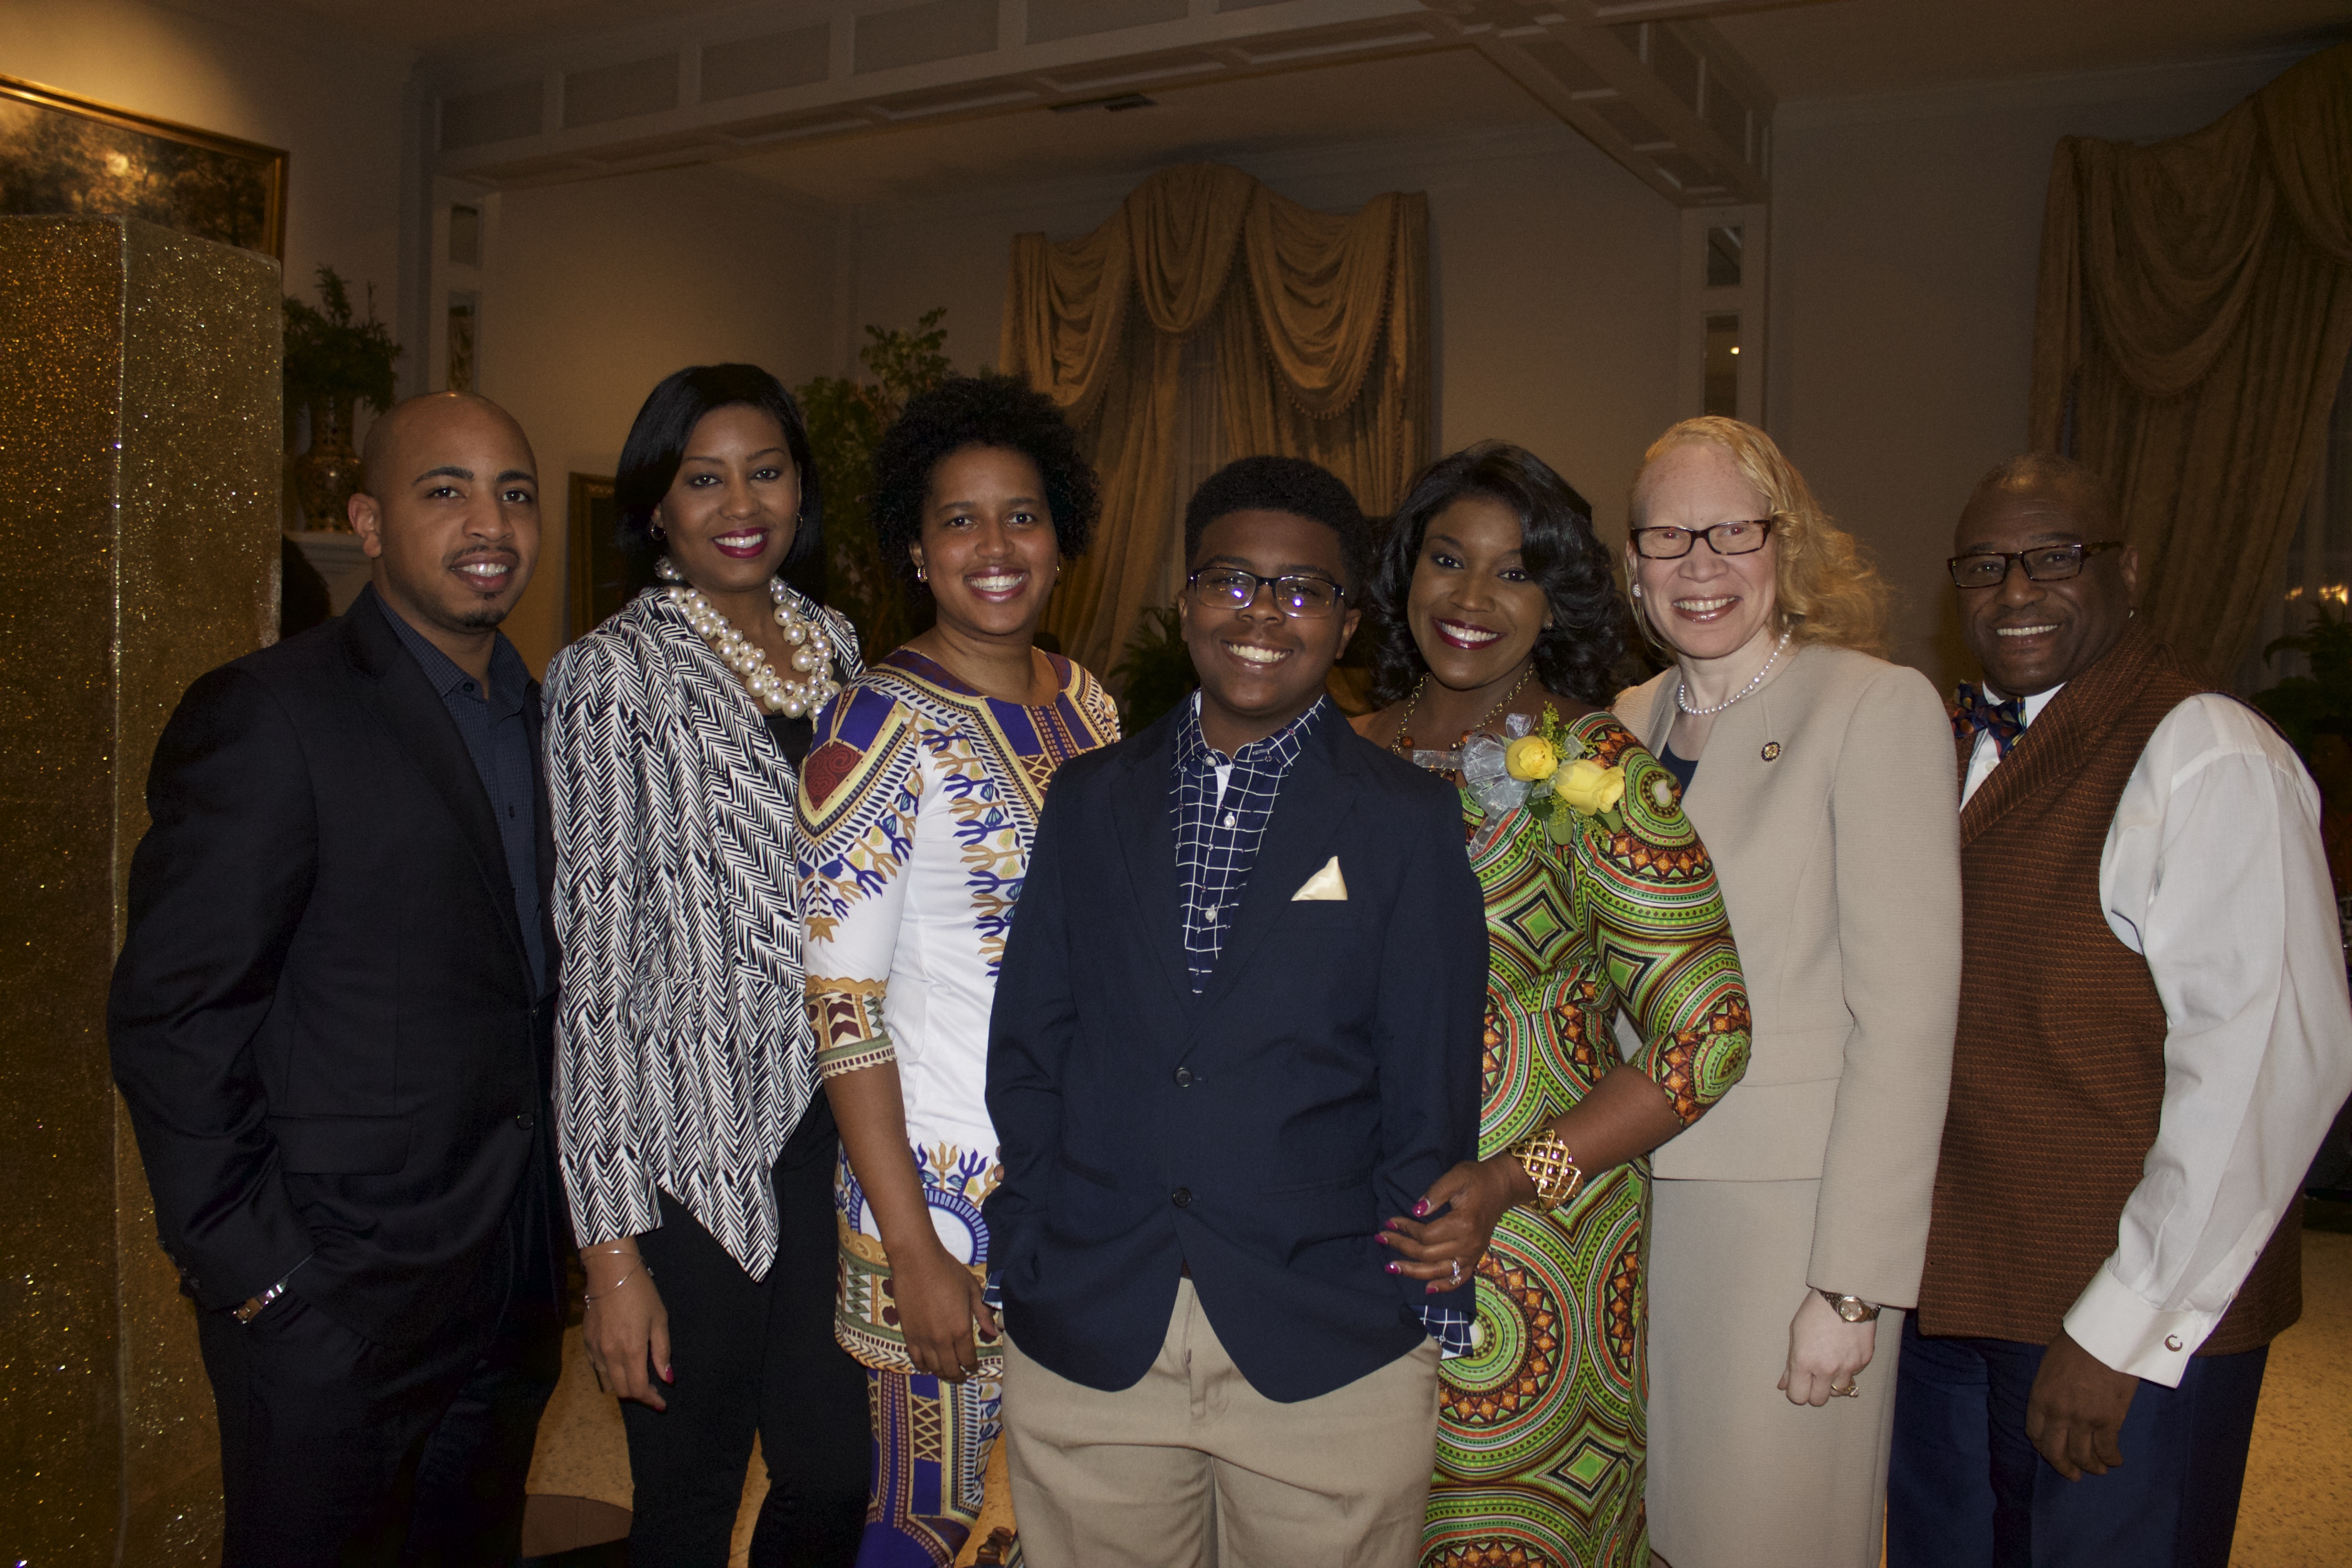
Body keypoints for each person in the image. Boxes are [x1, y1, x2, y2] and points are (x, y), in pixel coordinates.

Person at [983, 455, 1489, 1568]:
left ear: (1348, 622)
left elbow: (1430, 1088)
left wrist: (1404, 1308)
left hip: (1326, 1346)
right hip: (1096, 1328)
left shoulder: (1407, 820)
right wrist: (1029, 1249)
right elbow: (1030, 1046)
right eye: (1231, 580)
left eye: (1303, 589)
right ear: (1186, 600)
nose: (1263, 613)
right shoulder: (1089, 798)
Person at [108, 391, 566, 1566]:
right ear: (367, 523)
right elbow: (175, 1014)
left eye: (515, 493)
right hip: (333, 1300)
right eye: (445, 490)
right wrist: (259, 1272)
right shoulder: (269, 712)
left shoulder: (551, 720)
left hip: (507, 1288)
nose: (490, 522)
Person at [1888, 455, 2352, 1568]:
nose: (2015, 591)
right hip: (1953, 1295)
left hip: (2114, 1316)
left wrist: (2122, 1330)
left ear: (2127, 569)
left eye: (2054, 557)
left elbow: (2261, 1075)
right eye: (1984, 566)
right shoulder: (1944, 747)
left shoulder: (2209, 755)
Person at [1354, 441, 1754, 1568]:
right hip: (1331, 1229)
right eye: (1448, 559)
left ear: (1558, 597)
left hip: (1527, 1246)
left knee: (1498, 1531)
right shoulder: (1337, 752)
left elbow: (1708, 1036)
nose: (1472, 598)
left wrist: (1509, 1180)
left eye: (1516, 572)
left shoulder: (1600, 773)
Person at [1613, 416, 1962, 1567]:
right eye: (1669, 536)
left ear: (1786, 542)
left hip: (1785, 1227)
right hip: (1623, 1208)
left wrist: (1853, 1287)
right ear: (1634, 563)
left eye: (1733, 531)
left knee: (1762, 1539)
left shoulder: (1872, 707)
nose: (1700, 564)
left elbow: (1908, 1020)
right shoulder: (1620, 722)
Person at [545, 364, 869, 1566]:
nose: (742, 504)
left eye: (766, 472)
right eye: (704, 478)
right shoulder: (609, 675)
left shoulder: (835, 646)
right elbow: (594, 977)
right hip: (686, 1150)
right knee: (687, 1504)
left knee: (834, 1472)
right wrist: (610, 1259)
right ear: (657, 507)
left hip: (832, 1127)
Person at [795, 373, 1118, 1566]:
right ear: (916, 550)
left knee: (1069, 1503)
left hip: (1082, 1184)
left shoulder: (1089, 702)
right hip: (937, 1192)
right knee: (927, 1515)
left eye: (1021, 515)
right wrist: (914, 1247)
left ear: (1060, 538)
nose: (995, 547)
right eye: (960, 520)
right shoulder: (873, 725)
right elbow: (842, 1006)